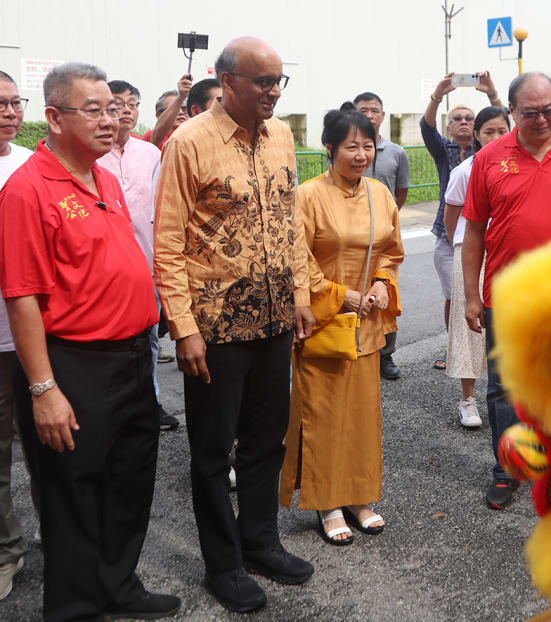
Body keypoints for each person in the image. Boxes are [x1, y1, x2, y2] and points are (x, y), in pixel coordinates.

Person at [0, 62, 180, 621]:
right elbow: (22, 296)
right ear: (53, 118)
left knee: (129, 482)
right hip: (76, 363)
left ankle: (118, 584)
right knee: (73, 495)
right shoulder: (29, 189)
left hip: (132, 356)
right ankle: (76, 607)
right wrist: (43, 387)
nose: (113, 120)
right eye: (95, 110)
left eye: (116, 108)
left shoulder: (102, 175)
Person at [154, 37, 314, 614]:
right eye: (263, 82)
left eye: (279, 82)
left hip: (273, 318)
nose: (274, 92)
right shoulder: (188, 142)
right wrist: (183, 326)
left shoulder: (282, 136)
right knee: (211, 450)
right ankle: (222, 565)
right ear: (227, 80)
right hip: (214, 328)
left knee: (266, 441)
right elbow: (168, 241)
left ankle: (260, 541)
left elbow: (290, 218)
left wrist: (298, 291)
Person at [461, 72, 551, 510]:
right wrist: (471, 296)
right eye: (530, 112)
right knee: (504, 387)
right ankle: (507, 469)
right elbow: (473, 231)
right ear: (512, 111)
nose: (542, 119)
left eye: (549, 110)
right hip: (506, 296)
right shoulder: (489, 158)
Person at [280, 102, 403, 546]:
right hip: (323, 322)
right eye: (351, 146)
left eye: (367, 145)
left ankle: (360, 497)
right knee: (323, 415)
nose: (360, 154)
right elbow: (297, 260)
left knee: (363, 417)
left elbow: (391, 249)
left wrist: (383, 283)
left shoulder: (379, 193)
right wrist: (341, 294)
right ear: (329, 147)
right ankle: (327, 503)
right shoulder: (308, 196)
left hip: (366, 323)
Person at [97, 80, 180, 432]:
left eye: (133, 103)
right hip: (102, 272)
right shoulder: (93, 155)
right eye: (118, 104)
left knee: (147, 340)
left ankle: (149, 401)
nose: (126, 110)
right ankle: (104, 408)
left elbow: (164, 210)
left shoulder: (152, 155)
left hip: (146, 267)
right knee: (104, 345)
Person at [421, 71, 503, 371]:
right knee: (456, 297)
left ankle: (483, 351)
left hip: (490, 238)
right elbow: (426, 128)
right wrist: (438, 94)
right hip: (450, 237)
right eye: (458, 118)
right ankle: (456, 348)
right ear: (449, 126)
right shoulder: (446, 151)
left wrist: (492, 93)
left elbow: (505, 126)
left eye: (470, 117)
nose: (464, 121)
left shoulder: (498, 156)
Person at [443, 106, 510, 428]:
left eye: (502, 131)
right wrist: (464, 245)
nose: (496, 138)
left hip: (508, 253)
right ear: (477, 136)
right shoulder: (466, 170)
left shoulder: (519, 166)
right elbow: (452, 219)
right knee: (470, 325)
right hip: (470, 254)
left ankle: (514, 400)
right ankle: (468, 399)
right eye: (489, 132)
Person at [0, 69, 31, 603]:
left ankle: (69, 540)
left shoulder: (31, 167)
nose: (8, 111)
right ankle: (7, 549)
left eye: (13, 101)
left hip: (38, 334)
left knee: (58, 446)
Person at [355, 91, 410, 381]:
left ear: (383, 115)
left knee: (386, 294)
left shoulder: (397, 152)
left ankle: (386, 355)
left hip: (384, 238)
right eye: (363, 110)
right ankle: (355, 346)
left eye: (375, 110)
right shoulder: (346, 148)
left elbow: (401, 190)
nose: (369, 115)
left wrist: (387, 219)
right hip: (351, 234)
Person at [142, 74, 191, 148]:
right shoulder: (151, 136)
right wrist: (180, 98)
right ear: (159, 115)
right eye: (175, 108)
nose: (181, 112)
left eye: (184, 109)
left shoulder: (195, 136)